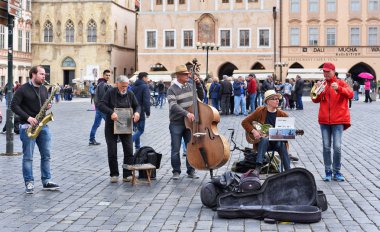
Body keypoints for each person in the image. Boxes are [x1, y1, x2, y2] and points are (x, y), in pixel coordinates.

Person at [11, 65, 60, 194]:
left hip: (43, 125)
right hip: (28, 127)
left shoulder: (44, 88)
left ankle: (46, 181)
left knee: (46, 155)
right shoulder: (22, 89)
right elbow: (13, 106)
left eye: (44, 74)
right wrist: (28, 118)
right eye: (42, 74)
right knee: (28, 157)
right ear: (33, 74)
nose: (44, 76)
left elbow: (42, 104)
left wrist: (47, 105)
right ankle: (29, 182)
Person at [311, 62, 353, 182]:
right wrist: (317, 88)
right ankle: (328, 171)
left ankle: (337, 171)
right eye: (324, 71)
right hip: (324, 120)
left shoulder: (341, 83)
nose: (325, 74)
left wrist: (339, 89)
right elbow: (315, 99)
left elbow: (350, 94)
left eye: (328, 72)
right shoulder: (322, 84)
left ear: (333, 71)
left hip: (338, 120)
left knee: (337, 147)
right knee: (326, 147)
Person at [98, 75, 141, 183]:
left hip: (125, 125)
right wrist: (111, 112)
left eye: (126, 86)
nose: (124, 88)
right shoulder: (110, 92)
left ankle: (127, 174)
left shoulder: (130, 93)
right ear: (117, 84)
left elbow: (137, 106)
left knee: (129, 150)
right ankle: (114, 174)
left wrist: (137, 113)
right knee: (112, 151)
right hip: (111, 125)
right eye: (122, 86)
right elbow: (101, 105)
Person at [241, 90, 291, 176]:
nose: (277, 100)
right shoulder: (260, 111)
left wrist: (288, 133)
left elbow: (286, 134)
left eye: (278, 99)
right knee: (264, 139)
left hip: (277, 143)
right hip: (264, 145)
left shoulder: (283, 115)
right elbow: (245, 122)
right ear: (268, 101)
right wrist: (254, 131)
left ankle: (289, 171)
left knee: (282, 144)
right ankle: (258, 167)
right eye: (274, 99)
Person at [167, 65, 204, 180]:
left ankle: (191, 171)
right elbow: (173, 106)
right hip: (176, 123)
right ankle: (176, 171)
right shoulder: (171, 89)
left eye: (188, 74)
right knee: (175, 148)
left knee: (190, 147)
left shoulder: (190, 86)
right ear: (178, 76)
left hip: (190, 123)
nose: (188, 75)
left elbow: (201, 98)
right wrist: (186, 113)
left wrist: (198, 84)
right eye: (185, 74)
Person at [89, 70, 111, 145]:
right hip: (102, 108)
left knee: (96, 124)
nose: (108, 77)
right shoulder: (102, 84)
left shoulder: (101, 83)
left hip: (99, 107)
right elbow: (103, 97)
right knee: (111, 122)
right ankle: (115, 138)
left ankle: (91, 140)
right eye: (106, 75)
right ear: (103, 75)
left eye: (109, 75)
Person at [132, 72, 151, 150]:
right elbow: (146, 100)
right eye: (147, 77)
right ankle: (130, 141)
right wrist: (148, 112)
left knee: (136, 129)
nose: (147, 79)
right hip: (140, 111)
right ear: (143, 77)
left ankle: (137, 146)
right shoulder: (144, 86)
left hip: (133, 110)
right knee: (141, 130)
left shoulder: (133, 86)